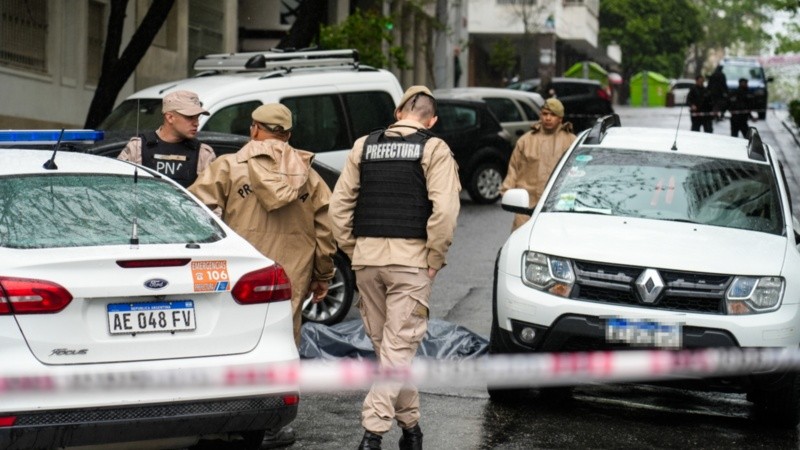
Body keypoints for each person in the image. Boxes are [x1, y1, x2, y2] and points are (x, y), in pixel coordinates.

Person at [188, 103, 336, 449]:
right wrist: (323, 275)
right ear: (288, 135)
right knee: (282, 343)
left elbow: (192, 210)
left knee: (230, 342)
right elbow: (326, 231)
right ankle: (273, 426)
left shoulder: (227, 167)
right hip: (290, 273)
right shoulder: (309, 176)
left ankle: (223, 421)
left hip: (240, 273)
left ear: (254, 129)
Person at [328, 86, 461, 450]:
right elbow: (445, 212)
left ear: (398, 112)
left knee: (391, 353)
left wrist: (355, 250)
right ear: (431, 120)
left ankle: (412, 430)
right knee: (397, 351)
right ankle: (372, 434)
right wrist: (434, 258)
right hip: (410, 262)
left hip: (367, 261)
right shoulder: (434, 148)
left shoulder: (364, 146)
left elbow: (338, 209)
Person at [500, 98, 577, 231]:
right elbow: (513, 170)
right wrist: (507, 193)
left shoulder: (571, 142)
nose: (548, 118)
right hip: (526, 209)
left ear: (560, 118)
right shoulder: (525, 141)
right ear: (540, 115)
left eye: (553, 115)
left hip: (558, 210)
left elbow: (579, 175)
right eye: (545, 114)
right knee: (521, 242)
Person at [117, 90, 216, 188]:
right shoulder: (137, 148)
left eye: (197, 117)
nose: (196, 123)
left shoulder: (203, 154)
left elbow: (209, 196)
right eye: (190, 117)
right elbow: (118, 187)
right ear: (170, 117)